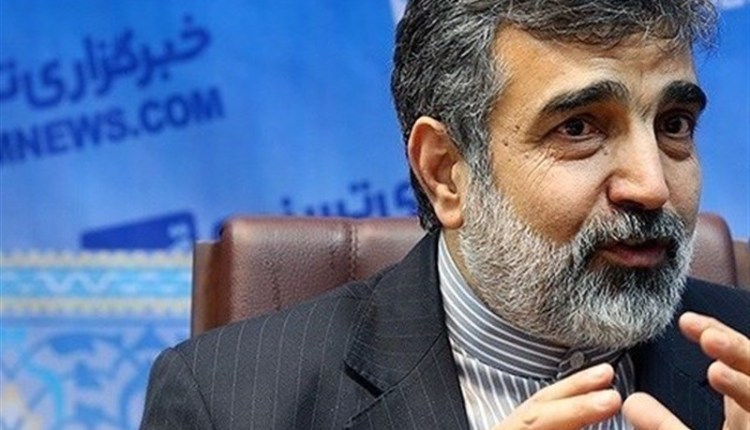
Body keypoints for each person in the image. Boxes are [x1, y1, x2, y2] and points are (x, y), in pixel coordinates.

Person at [140, 1, 750, 429]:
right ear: (446, 170)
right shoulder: (228, 403)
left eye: (674, 125)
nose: (651, 186)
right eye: (578, 128)